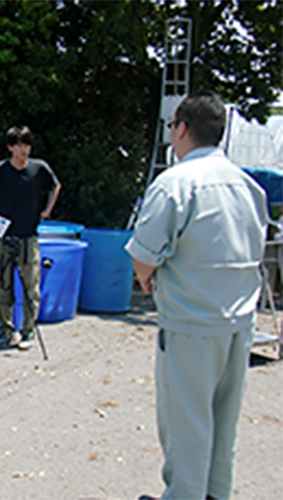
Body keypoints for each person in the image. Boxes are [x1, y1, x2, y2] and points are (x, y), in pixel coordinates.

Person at [126, 91, 269, 500]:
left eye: (172, 126)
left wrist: (148, 279)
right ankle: (215, 494)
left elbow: (143, 257)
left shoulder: (175, 183)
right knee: (224, 422)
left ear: (182, 129)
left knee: (187, 422)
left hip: (191, 323)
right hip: (239, 322)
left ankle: (185, 495)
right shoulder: (247, 186)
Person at [0, 125, 61, 350]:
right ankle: (6, 331)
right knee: (3, 286)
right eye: (19, 145)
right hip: (3, 235)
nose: (24, 150)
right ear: (10, 147)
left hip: (29, 236)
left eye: (27, 145)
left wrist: (47, 209)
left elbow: (55, 186)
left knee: (30, 287)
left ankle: (28, 331)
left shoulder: (39, 168)